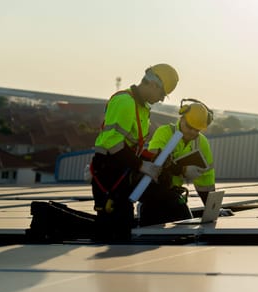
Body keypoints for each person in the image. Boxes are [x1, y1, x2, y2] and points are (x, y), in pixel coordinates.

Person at [90, 63, 179, 242]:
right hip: (109, 177)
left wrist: (152, 159)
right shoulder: (124, 102)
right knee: (114, 233)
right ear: (154, 85)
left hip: (122, 173)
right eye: (162, 94)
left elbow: (132, 147)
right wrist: (141, 165)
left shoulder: (142, 108)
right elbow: (112, 143)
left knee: (158, 200)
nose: (161, 100)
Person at [138, 98, 216, 227]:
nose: (192, 132)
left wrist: (213, 209)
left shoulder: (202, 143)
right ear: (182, 118)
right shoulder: (164, 132)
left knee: (187, 231)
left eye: (197, 130)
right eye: (189, 127)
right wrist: (182, 170)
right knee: (149, 234)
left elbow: (206, 179)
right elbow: (154, 161)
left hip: (174, 195)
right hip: (153, 194)